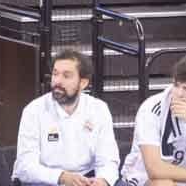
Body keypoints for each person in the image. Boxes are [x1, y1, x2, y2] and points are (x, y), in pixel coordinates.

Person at [12, 50, 117, 186]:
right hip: (45, 180)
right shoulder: (34, 111)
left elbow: (108, 159)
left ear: (83, 83)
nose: (57, 81)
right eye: (55, 74)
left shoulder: (99, 109)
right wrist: (61, 177)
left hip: (86, 178)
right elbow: (25, 167)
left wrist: (103, 180)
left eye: (66, 76)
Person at [119, 56, 186, 184]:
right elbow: (154, 170)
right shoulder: (151, 108)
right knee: (163, 183)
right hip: (145, 178)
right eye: (176, 85)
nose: (179, 93)